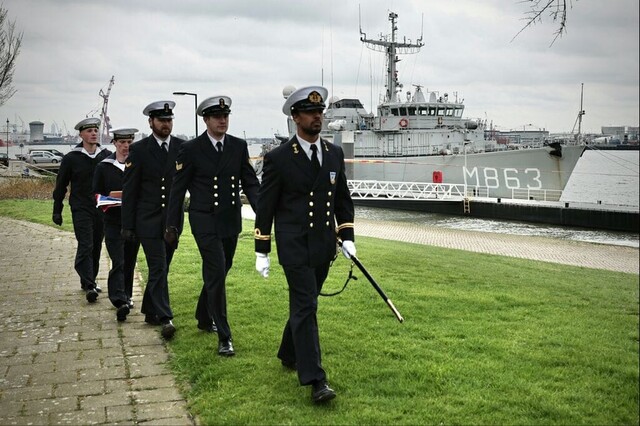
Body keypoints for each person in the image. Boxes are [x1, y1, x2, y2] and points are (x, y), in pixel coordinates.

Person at [253, 86, 356, 403]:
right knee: (307, 307)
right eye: (311, 113)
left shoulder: (334, 154)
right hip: (295, 247)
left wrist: (347, 236)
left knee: (306, 304)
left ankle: (288, 352)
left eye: (320, 112)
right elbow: (266, 207)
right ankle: (316, 380)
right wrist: (262, 249)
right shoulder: (279, 159)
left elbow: (342, 199)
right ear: (295, 117)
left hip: (323, 246)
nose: (317, 117)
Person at [165, 95, 259, 356]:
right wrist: (172, 225)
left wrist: (263, 211)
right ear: (205, 120)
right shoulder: (191, 149)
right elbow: (178, 189)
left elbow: (250, 182)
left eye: (226, 116)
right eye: (217, 117)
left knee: (221, 269)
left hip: (230, 219)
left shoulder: (238, 146)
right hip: (204, 219)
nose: (222, 120)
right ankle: (224, 335)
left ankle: (203, 315)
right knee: (216, 270)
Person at [121, 101, 186, 339]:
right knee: (157, 266)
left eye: (169, 120)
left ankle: (149, 310)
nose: (166, 124)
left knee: (163, 268)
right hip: (146, 220)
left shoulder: (181, 147)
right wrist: (127, 226)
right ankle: (165, 316)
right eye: (161, 120)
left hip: (172, 220)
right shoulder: (139, 150)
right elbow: (130, 190)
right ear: (151, 122)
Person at [52, 117, 112, 303]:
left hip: (100, 208)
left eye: (95, 130)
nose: (93, 133)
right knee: (85, 244)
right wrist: (57, 210)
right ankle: (89, 285)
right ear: (81, 134)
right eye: (89, 131)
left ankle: (89, 280)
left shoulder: (106, 155)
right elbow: (61, 185)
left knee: (96, 245)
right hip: (80, 207)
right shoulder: (71, 158)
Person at [92, 128, 140, 321]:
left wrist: (122, 195)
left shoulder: (137, 164)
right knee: (118, 260)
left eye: (129, 142)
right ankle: (119, 299)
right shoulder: (104, 167)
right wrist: (115, 197)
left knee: (129, 260)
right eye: (122, 143)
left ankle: (127, 295)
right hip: (112, 220)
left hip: (133, 222)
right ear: (115, 144)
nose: (126, 146)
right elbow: (96, 193)